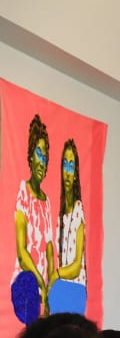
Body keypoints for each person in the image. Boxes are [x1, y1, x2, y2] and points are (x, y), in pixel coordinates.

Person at [12, 114, 54, 324]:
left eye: (45, 157)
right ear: (30, 157)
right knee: (29, 283)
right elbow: (22, 253)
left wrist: (49, 289)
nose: (42, 162)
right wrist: (41, 287)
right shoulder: (23, 191)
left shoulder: (46, 202)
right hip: (26, 282)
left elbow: (49, 250)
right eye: (39, 153)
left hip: (42, 287)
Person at [49, 138, 88, 313]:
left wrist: (56, 275)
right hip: (61, 287)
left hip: (74, 288)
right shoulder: (61, 214)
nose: (67, 171)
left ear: (76, 173)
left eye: (71, 166)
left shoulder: (78, 211)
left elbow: (76, 265)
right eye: (65, 164)